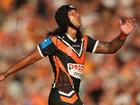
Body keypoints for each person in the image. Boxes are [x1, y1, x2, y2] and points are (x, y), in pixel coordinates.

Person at [0, 4, 136, 105]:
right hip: (61, 95)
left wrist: (122, 35)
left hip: (74, 96)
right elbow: (30, 58)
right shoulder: (55, 41)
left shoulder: (84, 41)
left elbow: (110, 48)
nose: (78, 15)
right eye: (72, 13)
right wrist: (6, 73)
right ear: (64, 19)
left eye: (77, 12)